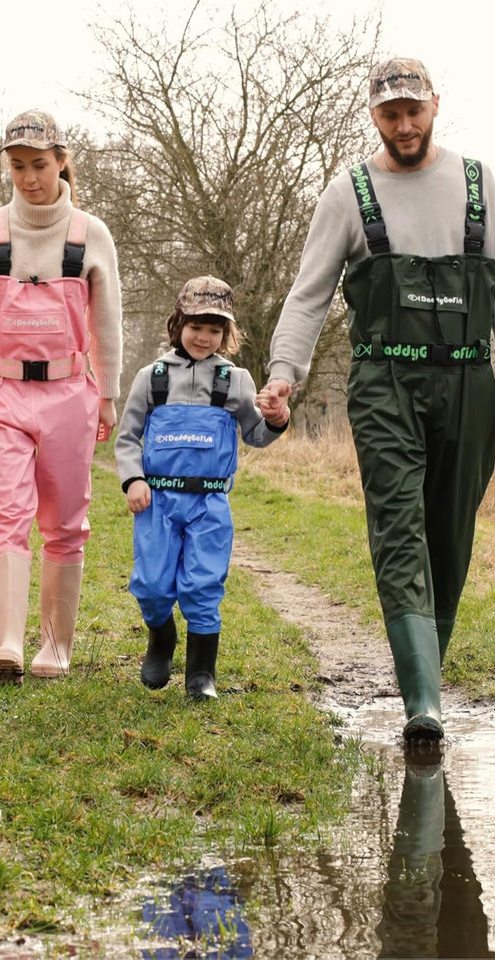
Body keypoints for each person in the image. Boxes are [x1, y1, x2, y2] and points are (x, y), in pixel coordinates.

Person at [258, 58, 495, 742]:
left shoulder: (477, 185)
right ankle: (424, 703)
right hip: (384, 382)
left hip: (470, 382)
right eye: (391, 113)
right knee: (397, 527)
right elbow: (309, 295)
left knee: (450, 533)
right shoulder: (348, 192)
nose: (404, 124)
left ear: (435, 107)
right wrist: (283, 373)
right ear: (374, 117)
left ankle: (426, 680)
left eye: (414, 110)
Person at [0, 109, 122, 683]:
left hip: (70, 392)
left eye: (39, 165)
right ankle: (9, 643)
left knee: (65, 521)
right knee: (8, 512)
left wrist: (109, 396)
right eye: (16, 167)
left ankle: (54, 647)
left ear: (62, 161)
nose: (28, 178)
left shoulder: (90, 234)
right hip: (1, 390)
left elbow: (106, 324)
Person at [115, 277, 290, 700]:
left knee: (202, 585)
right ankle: (161, 640)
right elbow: (127, 438)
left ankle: (200, 676)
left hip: (209, 503)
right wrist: (133, 478)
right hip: (156, 502)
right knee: (153, 584)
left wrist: (277, 418)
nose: (204, 337)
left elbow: (256, 435)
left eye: (215, 330)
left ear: (226, 334)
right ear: (178, 324)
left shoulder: (236, 381)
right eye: (196, 326)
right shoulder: (151, 377)